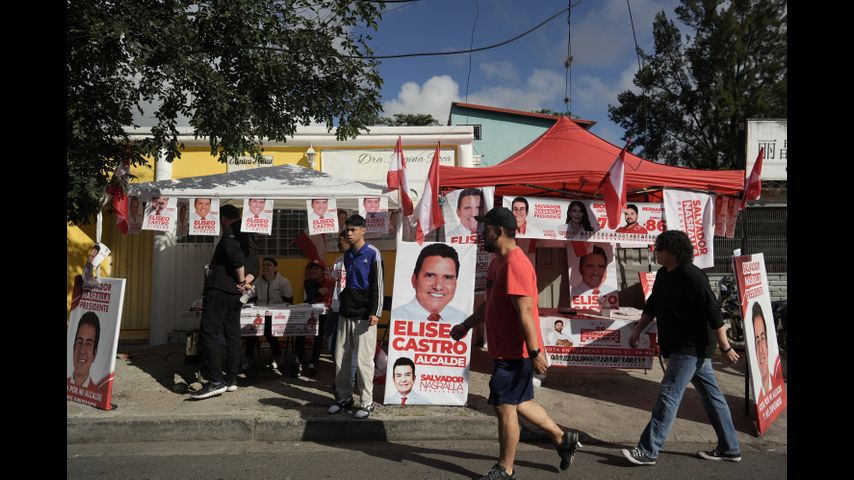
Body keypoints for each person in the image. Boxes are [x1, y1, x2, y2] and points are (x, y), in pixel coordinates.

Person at [450, 207, 580, 479]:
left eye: (486, 229)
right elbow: (490, 304)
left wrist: (534, 352)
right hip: (503, 350)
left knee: (505, 407)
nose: (481, 233)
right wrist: (466, 326)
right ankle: (562, 438)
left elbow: (525, 313)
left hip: (515, 352)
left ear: (498, 231)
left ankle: (505, 469)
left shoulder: (515, 264)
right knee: (519, 402)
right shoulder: (498, 262)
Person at [621, 230, 741, 466]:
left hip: (691, 346)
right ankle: (730, 448)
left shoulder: (692, 275)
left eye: (659, 249)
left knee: (668, 395)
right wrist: (638, 330)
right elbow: (652, 305)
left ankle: (648, 450)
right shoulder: (664, 274)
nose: (656, 252)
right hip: (681, 346)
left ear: (673, 251)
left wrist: (726, 347)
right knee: (712, 397)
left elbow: (713, 311)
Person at [191, 204, 256, 399]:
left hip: (220, 290)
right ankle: (232, 379)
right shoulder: (249, 235)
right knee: (233, 334)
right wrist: (246, 282)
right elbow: (255, 265)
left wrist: (242, 280)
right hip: (235, 294)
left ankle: (216, 381)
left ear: (224, 219)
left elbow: (234, 255)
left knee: (208, 332)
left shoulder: (230, 231)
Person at [327, 214, 384, 419]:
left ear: (363, 230)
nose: (349, 234)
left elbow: (378, 285)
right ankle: (344, 398)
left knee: (363, 361)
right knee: (341, 358)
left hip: (364, 316)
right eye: (347, 230)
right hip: (345, 312)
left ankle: (367, 402)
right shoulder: (347, 255)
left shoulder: (373, 253)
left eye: (353, 230)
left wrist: (376, 312)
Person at [392, 243, 467, 323]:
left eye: (447, 277)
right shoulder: (396, 317)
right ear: (414, 280)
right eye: (430, 276)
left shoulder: (462, 320)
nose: (438, 286)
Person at [244, 257, 293, 369]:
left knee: (268, 329)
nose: (265, 267)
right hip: (260, 314)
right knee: (250, 328)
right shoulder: (257, 281)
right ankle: (248, 357)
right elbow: (249, 297)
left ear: (275, 268)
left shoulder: (283, 282)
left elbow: (288, 302)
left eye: (269, 265)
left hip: (278, 316)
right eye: (264, 265)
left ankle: (278, 356)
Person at [303, 260, 334, 375]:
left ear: (322, 270)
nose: (313, 271)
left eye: (316, 268)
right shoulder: (308, 282)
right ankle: (299, 358)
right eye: (311, 268)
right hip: (312, 313)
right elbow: (311, 296)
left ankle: (314, 361)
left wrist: (318, 293)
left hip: (327, 315)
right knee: (300, 329)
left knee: (320, 332)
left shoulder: (330, 282)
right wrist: (318, 292)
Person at [752, 302, 782, 399]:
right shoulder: (759, 395)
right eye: (757, 341)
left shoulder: (777, 385)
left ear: (767, 343)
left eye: (762, 338)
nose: (761, 350)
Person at [69, 311, 100, 387]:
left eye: (88, 344)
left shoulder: (98, 392)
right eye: (79, 342)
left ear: (94, 355)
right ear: (73, 348)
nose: (82, 350)